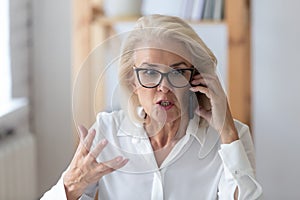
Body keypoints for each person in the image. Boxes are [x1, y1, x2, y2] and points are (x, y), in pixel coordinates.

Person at [41, 14, 262, 200]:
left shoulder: (231, 138)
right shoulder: (107, 132)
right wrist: (70, 187)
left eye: (177, 72)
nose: (163, 87)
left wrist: (227, 132)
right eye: (149, 72)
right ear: (132, 82)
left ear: (196, 79)